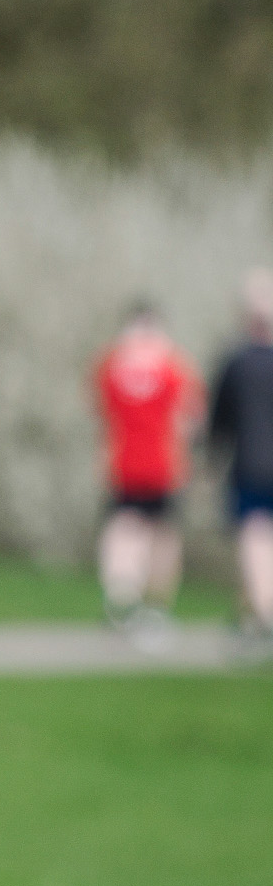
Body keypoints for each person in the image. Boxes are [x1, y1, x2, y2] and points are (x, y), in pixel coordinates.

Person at [92, 300, 203, 631]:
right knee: (161, 536)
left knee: (124, 530)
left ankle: (123, 595)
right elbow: (191, 417)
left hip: (125, 464)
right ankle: (154, 606)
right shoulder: (173, 368)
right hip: (163, 466)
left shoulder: (111, 366)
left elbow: (102, 416)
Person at [209, 268, 273, 638]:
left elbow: (219, 422)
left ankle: (262, 611)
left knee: (255, 538)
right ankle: (254, 608)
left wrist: (210, 459)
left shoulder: (236, 363)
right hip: (253, 465)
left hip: (251, 465)